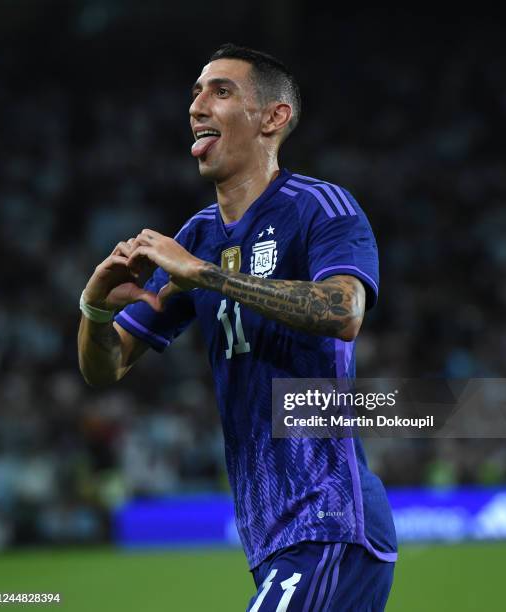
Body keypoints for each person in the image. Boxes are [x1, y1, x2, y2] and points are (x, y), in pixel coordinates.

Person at [78, 43, 397, 611]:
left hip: (328, 519)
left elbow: (343, 311)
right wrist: (96, 308)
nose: (197, 105)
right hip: (270, 533)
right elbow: (107, 365)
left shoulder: (319, 207)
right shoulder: (198, 235)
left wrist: (205, 276)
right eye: (196, 93)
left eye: (221, 91)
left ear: (274, 118)